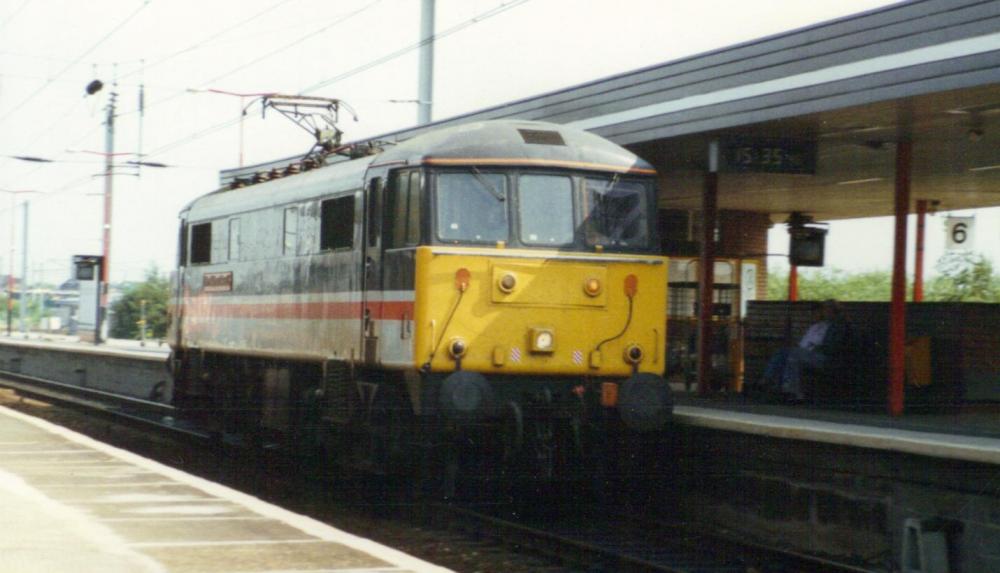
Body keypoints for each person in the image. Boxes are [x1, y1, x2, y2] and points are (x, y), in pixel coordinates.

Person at [760, 300, 851, 401]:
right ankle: (774, 385)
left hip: (826, 358)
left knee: (792, 355)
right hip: (813, 353)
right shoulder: (820, 326)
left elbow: (834, 346)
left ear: (833, 311)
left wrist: (819, 347)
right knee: (784, 353)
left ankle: (789, 390)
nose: (824, 313)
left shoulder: (837, 326)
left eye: (825, 310)